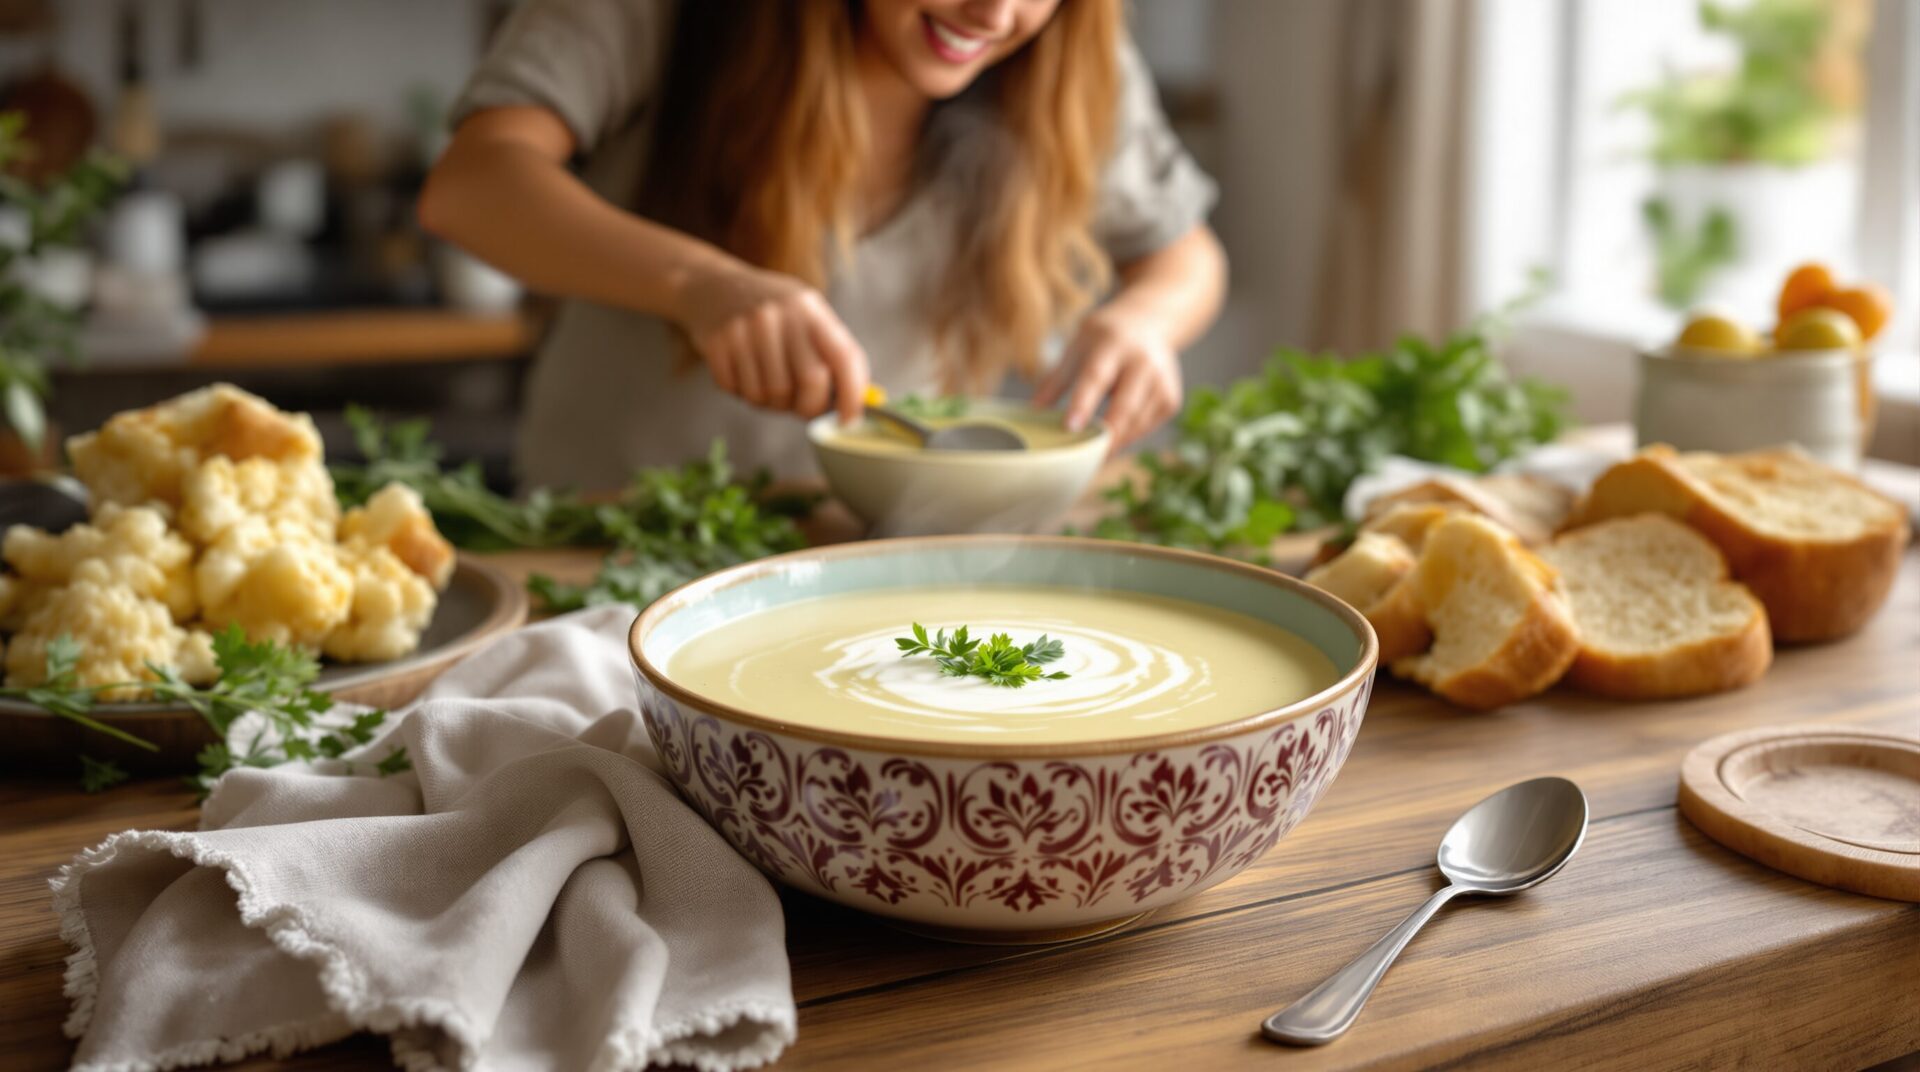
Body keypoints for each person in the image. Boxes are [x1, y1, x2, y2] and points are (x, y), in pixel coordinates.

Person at [421, 0, 1226, 490]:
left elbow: (1185, 257)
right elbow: (473, 186)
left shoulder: (1070, 56)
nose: (994, 13)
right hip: (608, 533)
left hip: (871, 551)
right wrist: (700, 283)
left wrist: (1144, 323)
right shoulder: (663, 15)